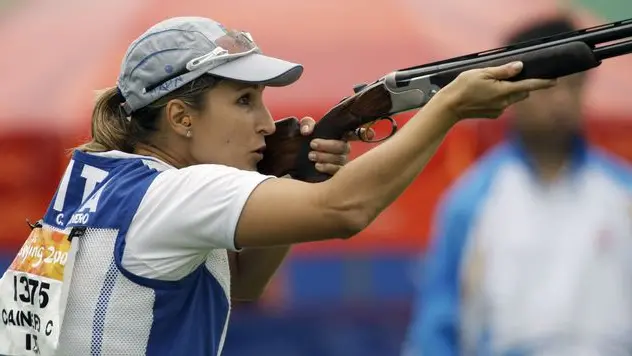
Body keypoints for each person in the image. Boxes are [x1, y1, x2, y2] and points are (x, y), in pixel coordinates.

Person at [0, 16, 555, 356]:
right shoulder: (174, 195)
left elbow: (242, 283)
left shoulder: (94, 178)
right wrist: (448, 106)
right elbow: (347, 209)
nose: (268, 123)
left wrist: (292, 176)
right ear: (180, 116)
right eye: (244, 101)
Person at [403, 16, 632, 356]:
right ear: (512, 89)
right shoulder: (471, 201)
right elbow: (437, 326)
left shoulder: (623, 192)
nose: (561, 101)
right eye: (549, 85)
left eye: (574, 86)